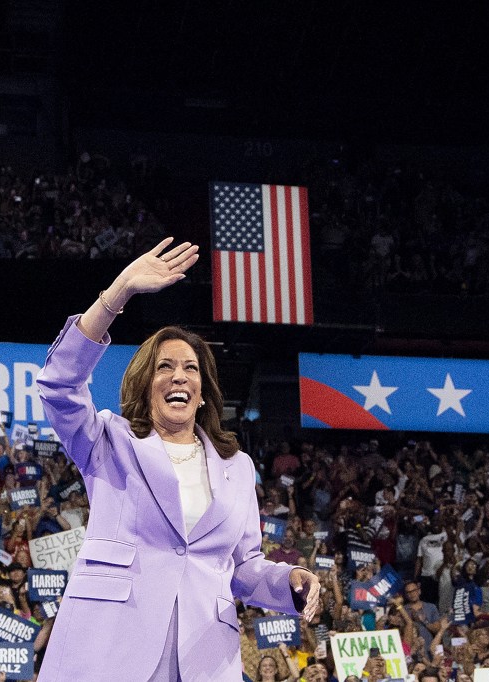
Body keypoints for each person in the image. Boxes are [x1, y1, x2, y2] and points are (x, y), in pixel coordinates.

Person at [34, 238, 321, 681]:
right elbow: (58, 385)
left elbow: (243, 566)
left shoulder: (238, 467)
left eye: (190, 368)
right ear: (145, 383)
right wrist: (118, 294)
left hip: (203, 653)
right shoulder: (110, 441)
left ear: (203, 391)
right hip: (111, 645)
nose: (179, 376)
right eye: (165, 367)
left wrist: (290, 581)